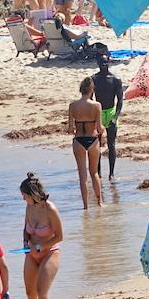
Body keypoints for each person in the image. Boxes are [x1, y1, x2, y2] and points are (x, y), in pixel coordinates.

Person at [15, 172, 65, 299]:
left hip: (50, 252)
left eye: (24, 195)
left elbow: (59, 236)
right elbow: (25, 229)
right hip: (31, 254)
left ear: (33, 194)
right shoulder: (29, 207)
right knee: (30, 292)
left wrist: (41, 246)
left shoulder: (50, 208)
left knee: (41, 292)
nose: (23, 199)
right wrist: (25, 242)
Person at [68, 78, 104, 209]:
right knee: (94, 173)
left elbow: (70, 129)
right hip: (92, 140)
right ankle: (99, 202)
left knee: (82, 176)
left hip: (78, 141)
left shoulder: (73, 105)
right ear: (92, 90)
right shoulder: (96, 105)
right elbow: (99, 128)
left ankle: (85, 206)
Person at [92, 55, 125, 180]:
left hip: (111, 112)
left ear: (109, 62)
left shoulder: (115, 79)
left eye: (105, 62)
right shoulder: (93, 79)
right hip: (98, 112)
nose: (103, 65)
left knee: (111, 145)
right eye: (101, 63)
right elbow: (90, 99)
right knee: (97, 145)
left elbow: (120, 100)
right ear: (97, 63)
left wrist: (115, 117)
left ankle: (111, 174)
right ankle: (98, 174)